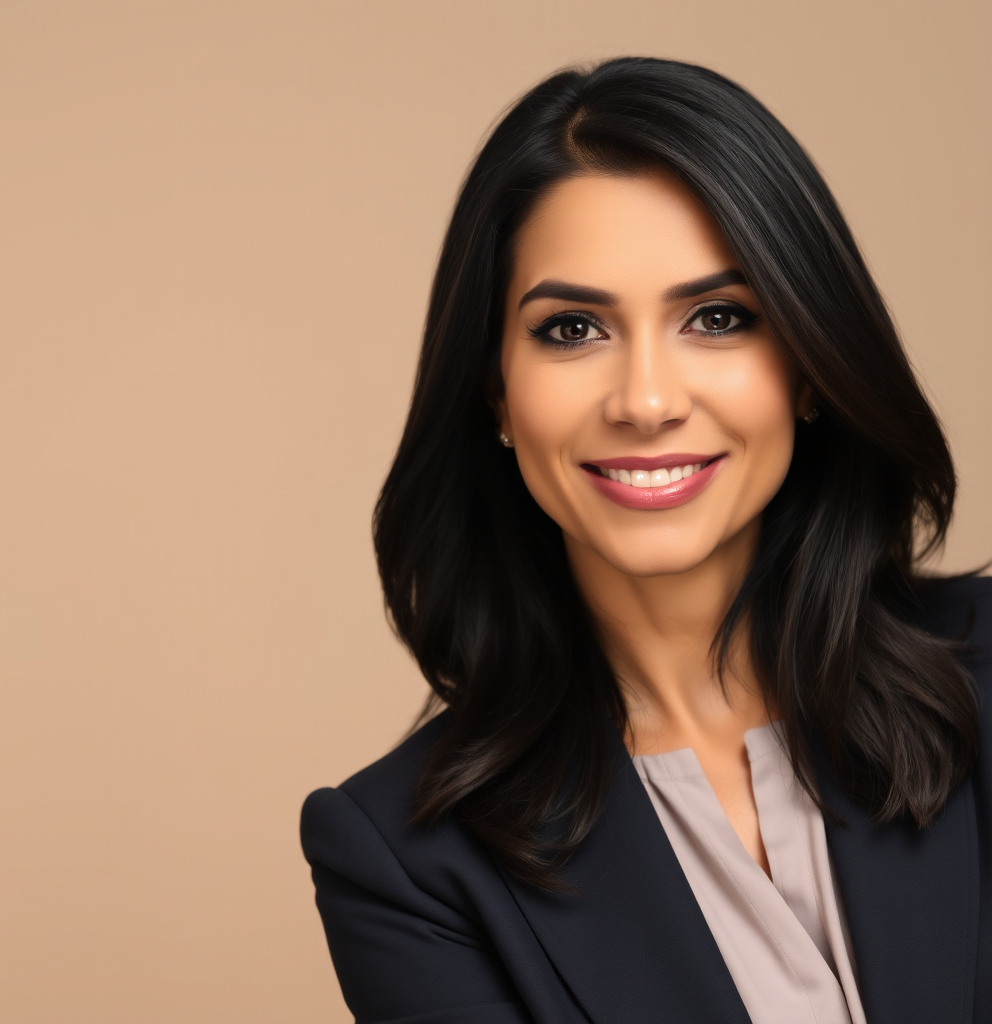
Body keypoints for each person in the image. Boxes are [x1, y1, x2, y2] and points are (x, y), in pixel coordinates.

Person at [300, 57, 991, 1024]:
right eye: (574, 328)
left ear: (807, 364)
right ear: (496, 391)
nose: (648, 402)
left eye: (718, 318)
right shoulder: (405, 865)